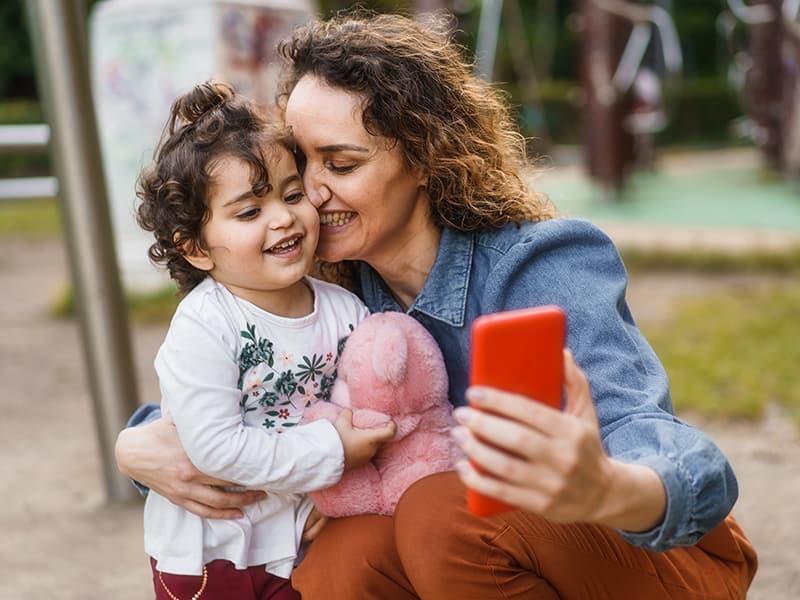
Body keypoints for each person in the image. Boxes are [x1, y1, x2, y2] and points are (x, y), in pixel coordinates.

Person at [117, 11, 758, 599]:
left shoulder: (539, 266)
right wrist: (139, 445)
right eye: (297, 167)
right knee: (345, 555)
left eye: (339, 163)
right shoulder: (339, 293)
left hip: (652, 555)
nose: (307, 195)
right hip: (497, 550)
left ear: (424, 158)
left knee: (438, 509)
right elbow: (252, 398)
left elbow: (655, 439)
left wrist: (612, 486)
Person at [131, 79, 393, 599]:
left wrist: (338, 490)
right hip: (210, 555)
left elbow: (369, 406)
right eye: (249, 212)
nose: (282, 217)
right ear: (197, 248)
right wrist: (331, 452)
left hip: (299, 544)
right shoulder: (205, 325)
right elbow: (216, 449)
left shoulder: (345, 310)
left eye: (292, 194)